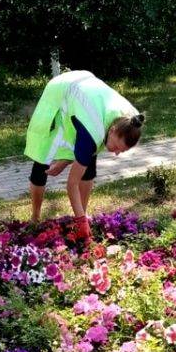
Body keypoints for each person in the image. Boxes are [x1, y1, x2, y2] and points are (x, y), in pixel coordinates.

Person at [25, 70, 144, 238]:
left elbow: (85, 150)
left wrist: (66, 160)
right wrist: (81, 221)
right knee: (43, 158)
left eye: (121, 151)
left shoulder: (131, 121)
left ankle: (81, 213)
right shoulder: (93, 131)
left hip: (85, 93)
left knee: (88, 163)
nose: (116, 154)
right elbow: (71, 184)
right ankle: (35, 218)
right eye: (117, 147)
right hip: (60, 92)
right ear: (112, 130)